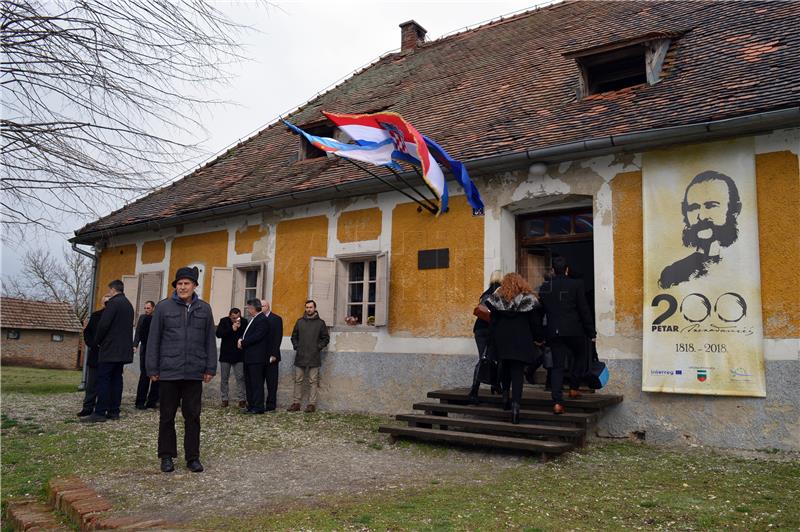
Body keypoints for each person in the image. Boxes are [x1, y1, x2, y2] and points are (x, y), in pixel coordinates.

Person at [146, 266, 217, 473]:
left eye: (187, 283)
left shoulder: (204, 309)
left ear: (194, 286)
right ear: (175, 286)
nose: (183, 287)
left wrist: (210, 367)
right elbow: (154, 340)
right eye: (179, 284)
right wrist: (152, 367)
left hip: (194, 371)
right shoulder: (163, 308)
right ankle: (166, 456)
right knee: (167, 416)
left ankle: (192, 458)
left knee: (193, 416)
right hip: (169, 371)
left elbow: (209, 341)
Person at [659, 170, 741, 288]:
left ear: (735, 210)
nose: (701, 216)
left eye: (711, 206)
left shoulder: (746, 264)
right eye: (693, 208)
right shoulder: (673, 274)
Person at [537, 257, 595, 415]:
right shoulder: (576, 284)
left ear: (554, 271)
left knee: (557, 367)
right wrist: (591, 331)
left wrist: (539, 334)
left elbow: (539, 313)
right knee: (581, 354)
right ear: (567, 270)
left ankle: (557, 403)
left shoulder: (545, 287)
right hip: (574, 330)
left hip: (553, 331)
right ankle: (574, 388)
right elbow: (584, 310)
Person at [485, 273, 544, 424]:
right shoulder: (528, 300)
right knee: (517, 374)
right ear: (521, 283)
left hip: (502, 340)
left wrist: (490, 341)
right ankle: (516, 407)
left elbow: (493, 323)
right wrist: (538, 338)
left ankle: (505, 398)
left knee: (504, 367)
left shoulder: (497, 300)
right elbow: (535, 324)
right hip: (521, 341)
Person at [81, 281, 134, 423]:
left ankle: (99, 412)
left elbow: (104, 324)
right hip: (122, 351)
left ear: (113, 290)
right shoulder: (128, 305)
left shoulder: (113, 303)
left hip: (110, 350)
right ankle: (114, 411)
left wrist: (98, 340)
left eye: (109, 291)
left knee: (103, 379)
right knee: (117, 380)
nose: (109, 294)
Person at [288, 300, 329, 413]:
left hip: (314, 355)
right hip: (300, 355)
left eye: (311, 307)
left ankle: (311, 404)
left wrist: (317, 347)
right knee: (298, 380)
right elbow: (294, 337)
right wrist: (297, 347)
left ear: (315, 308)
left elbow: (325, 338)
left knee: (313, 381)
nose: (308, 309)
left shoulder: (320, 323)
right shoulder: (299, 322)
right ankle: (296, 403)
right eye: (307, 307)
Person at [468, 270, 502, 404]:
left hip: (479, 330)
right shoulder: (500, 292)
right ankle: (487, 388)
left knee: (483, 358)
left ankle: (476, 390)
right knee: (497, 358)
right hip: (491, 330)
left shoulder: (485, 293)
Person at [77, 295, 109, 417]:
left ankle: (103, 408)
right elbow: (87, 333)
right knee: (91, 384)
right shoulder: (95, 316)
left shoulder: (114, 319)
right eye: (105, 302)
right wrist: (92, 344)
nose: (106, 305)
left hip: (108, 356)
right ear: (102, 303)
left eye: (108, 302)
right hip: (95, 355)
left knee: (106, 385)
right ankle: (88, 407)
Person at [238, 299, 269, 414]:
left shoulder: (262, 320)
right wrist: (241, 339)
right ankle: (251, 405)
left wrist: (243, 342)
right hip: (249, 356)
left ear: (253, 308)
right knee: (249, 382)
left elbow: (257, 336)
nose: (248, 309)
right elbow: (247, 333)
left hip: (256, 357)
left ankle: (258, 407)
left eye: (248, 307)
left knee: (256, 383)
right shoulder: (254, 319)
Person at [216, 307, 247, 408]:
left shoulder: (244, 321)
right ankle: (224, 399)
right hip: (226, 354)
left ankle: (242, 399)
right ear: (230, 316)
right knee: (224, 378)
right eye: (233, 318)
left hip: (239, 355)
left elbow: (246, 335)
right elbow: (218, 334)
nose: (236, 319)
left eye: (238, 317)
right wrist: (231, 329)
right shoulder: (224, 321)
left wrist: (239, 327)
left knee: (240, 377)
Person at [134, 300, 158, 409]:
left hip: (156, 349)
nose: (146, 310)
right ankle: (140, 401)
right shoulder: (142, 318)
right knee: (144, 374)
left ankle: (152, 401)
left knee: (156, 376)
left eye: (148, 308)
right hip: (145, 348)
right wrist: (135, 344)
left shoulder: (157, 318)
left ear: (153, 308)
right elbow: (138, 331)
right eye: (145, 308)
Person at [261, 299, 283, 412]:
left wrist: (274, 354)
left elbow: (277, 337)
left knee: (272, 382)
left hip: (272, 356)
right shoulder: (258, 319)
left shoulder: (276, 319)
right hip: (260, 355)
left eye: (263, 306)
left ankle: (271, 405)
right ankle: (259, 403)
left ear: (268, 306)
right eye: (260, 306)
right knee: (260, 381)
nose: (261, 308)